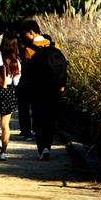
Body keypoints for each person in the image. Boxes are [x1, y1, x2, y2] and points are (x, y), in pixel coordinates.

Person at [20, 21, 68, 160]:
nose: (24, 37)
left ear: (31, 32)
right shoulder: (54, 46)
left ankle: (42, 148)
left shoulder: (28, 50)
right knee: (50, 119)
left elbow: (26, 72)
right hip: (54, 89)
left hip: (37, 90)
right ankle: (48, 145)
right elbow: (62, 66)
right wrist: (61, 84)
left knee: (38, 118)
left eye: (25, 34)